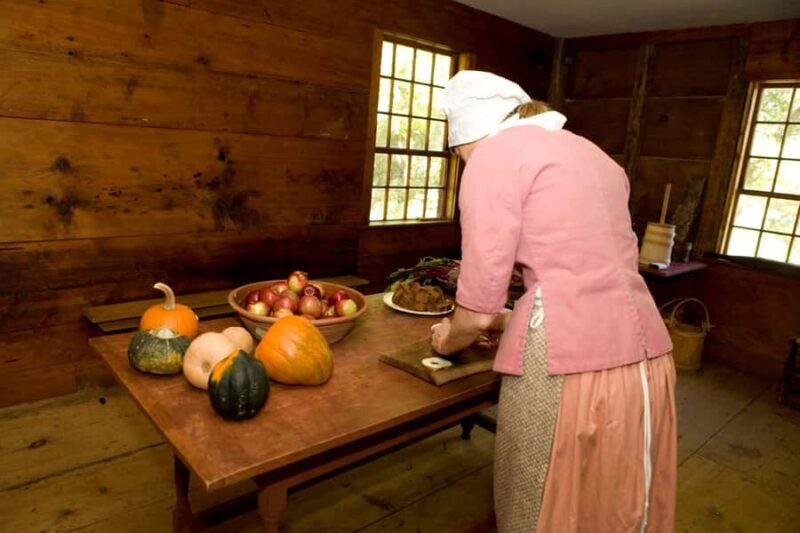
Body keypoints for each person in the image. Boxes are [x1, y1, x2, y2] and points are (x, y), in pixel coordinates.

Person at [430, 70, 677, 533]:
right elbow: (583, 273)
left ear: (469, 134)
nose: (461, 161)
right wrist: (512, 318)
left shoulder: (494, 157)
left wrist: (448, 339)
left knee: (534, 502)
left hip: (563, 362)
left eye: (457, 151)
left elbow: (478, 311)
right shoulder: (596, 155)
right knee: (605, 506)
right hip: (646, 355)